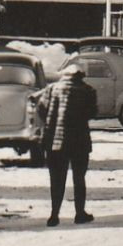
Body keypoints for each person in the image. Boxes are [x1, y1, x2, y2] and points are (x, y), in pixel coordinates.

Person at [39, 62, 98, 227]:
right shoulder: (88, 91)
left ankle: (54, 215)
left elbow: (41, 109)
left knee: (56, 179)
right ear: (81, 76)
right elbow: (92, 112)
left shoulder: (51, 89)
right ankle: (80, 213)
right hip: (79, 141)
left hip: (55, 140)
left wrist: (51, 123)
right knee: (79, 178)